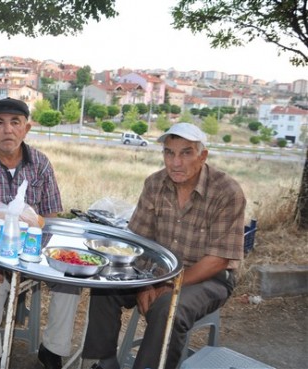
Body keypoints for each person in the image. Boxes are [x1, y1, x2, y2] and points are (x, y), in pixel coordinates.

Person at [82, 123, 246, 369]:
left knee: (169, 308)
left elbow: (218, 259)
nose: (175, 162)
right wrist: (145, 283)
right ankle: (104, 362)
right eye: (169, 152)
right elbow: (137, 242)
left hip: (208, 276)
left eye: (186, 152)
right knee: (107, 284)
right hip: (157, 271)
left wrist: (168, 284)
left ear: (203, 156)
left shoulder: (226, 192)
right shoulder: (155, 184)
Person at [0, 97, 81, 369]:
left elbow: (49, 216)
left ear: (27, 128)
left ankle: (52, 349)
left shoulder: (40, 163)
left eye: (15, 122)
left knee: (70, 277)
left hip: (34, 248)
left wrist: (45, 255)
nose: (7, 130)